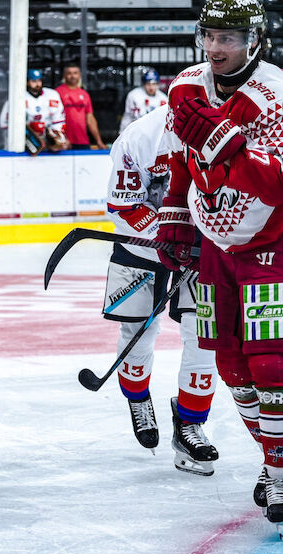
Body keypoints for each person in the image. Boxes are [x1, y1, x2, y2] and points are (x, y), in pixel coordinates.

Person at [156, 0, 283, 520]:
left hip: (269, 244)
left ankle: (279, 473)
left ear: (254, 41)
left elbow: (276, 184)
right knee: (229, 363)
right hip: (214, 246)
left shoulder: (275, 94)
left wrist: (228, 147)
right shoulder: (186, 86)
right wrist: (174, 215)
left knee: (270, 362)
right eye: (208, 36)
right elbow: (181, 157)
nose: (214, 47)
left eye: (227, 38)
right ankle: (274, 460)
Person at [103, 107, 218, 474]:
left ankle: (189, 424)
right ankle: (137, 397)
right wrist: (167, 236)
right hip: (140, 243)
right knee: (138, 328)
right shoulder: (139, 137)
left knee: (204, 333)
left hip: (203, 246)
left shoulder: (229, 131)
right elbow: (123, 202)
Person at [0, 69, 68, 155]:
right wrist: (29, 138)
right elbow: (4, 123)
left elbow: (59, 120)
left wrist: (57, 137)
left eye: (39, 80)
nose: (37, 84)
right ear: (27, 82)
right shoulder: (18, 97)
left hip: (47, 144)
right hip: (24, 144)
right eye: (34, 81)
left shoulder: (52, 95)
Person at [55, 64, 106, 150]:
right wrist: (59, 138)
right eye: (69, 73)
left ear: (79, 75)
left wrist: (99, 141)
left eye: (75, 73)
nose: (72, 76)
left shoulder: (84, 94)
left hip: (83, 141)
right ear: (64, 75)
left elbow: (90, 119)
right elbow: (52, 118)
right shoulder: (57, 93)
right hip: (64, 143)